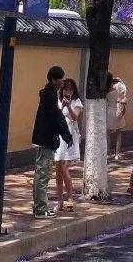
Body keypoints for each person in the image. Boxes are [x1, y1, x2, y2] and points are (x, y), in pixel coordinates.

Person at [31, 65, 72, 219]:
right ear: (54, 79)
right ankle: (41, 209)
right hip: (46, 139)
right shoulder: (49, 95)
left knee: (41, 174)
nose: (63, 80)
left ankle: (39, 206)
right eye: (61, 77)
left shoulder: (50, 94)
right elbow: (57, 118)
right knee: (43, 174)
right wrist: (66, 135)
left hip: (44, 138)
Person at [53, 78, 83, 212]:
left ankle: (70, 198)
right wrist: (62, 106)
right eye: (66, 89)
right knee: (58, 170)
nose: (68, 92)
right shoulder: (57, 101)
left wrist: (68, 106)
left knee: (65, 167)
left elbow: (75, 117)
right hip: (59, 135)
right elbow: (55, 116)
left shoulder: (76, 102)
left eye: (70, 89)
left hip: (70, 136)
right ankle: (60, 201)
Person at [105, 74, 127, 163]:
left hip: (108, 111)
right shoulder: (118, 87)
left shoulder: (105, 90)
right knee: (118, 134)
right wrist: (121, 80)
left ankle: (107, 153)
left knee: (108, 134)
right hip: (118, 111)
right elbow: (125, 91)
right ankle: (117, 154)